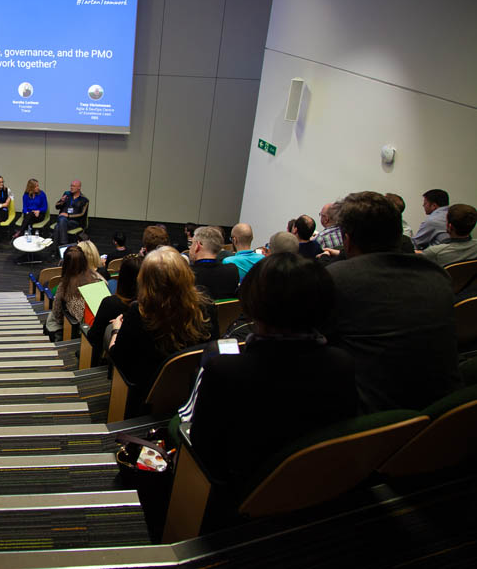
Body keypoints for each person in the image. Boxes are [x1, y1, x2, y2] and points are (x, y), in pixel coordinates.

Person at [188, 253, 358, 488]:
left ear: (252, 302)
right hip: (313, 487)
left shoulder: (225, 371)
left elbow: (201, 446)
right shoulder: (344, 364)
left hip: (238, 494)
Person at [325, 191, 461, 412]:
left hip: (374, 421)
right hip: (444, 419)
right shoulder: (438, 275)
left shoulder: (336, 279)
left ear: (347, 241)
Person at [108, 247, 217, 404]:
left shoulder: (139, 312)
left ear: (145, 281)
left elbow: (119, 359)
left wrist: (116, 330)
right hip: (190, 388)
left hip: (146, 391)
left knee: (109, 332)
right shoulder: (206, 305)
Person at [86, 254, 141, 365]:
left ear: (121, 276)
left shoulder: (110, 303)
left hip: (114, 363)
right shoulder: (151, 306)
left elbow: (93, 337)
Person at [44, 246, 106, 338]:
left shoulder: (64, 285)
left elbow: (57, 314)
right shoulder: (98, 278)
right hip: (102, 328)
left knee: (50, 321)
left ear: (65, 263)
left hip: (83, 332)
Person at [188, 226, 239, 299]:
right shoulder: (232, 271)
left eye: (192, 244)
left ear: (197, 245)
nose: (190, 248)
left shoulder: (187, 274)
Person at [53, 180, 89, 246]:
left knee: (57, 227)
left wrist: (68, 215)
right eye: (71, 185)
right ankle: (64, 245)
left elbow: (82, 214)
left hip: (74, 221)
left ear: (79, 187)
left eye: (74, 186)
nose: (71, 187)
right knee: (62, 219)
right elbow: (57, 206)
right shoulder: (67, 194)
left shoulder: (84, 200)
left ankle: (55, 249)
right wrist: (62, 201)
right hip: (62, 219)